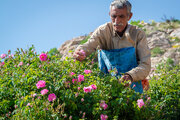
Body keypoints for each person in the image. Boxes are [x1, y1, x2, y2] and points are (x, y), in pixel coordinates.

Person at [73, 0, 151, 93]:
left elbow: (145, 65)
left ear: (129, 16)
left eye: (121, 16)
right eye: (113, 16)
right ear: (109, 14)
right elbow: (89, 45)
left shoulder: (138, 34)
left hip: (132, 86)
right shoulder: (103, 31)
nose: (117, 21)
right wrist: (79, 52)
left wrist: (130, 76)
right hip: (107, 86)